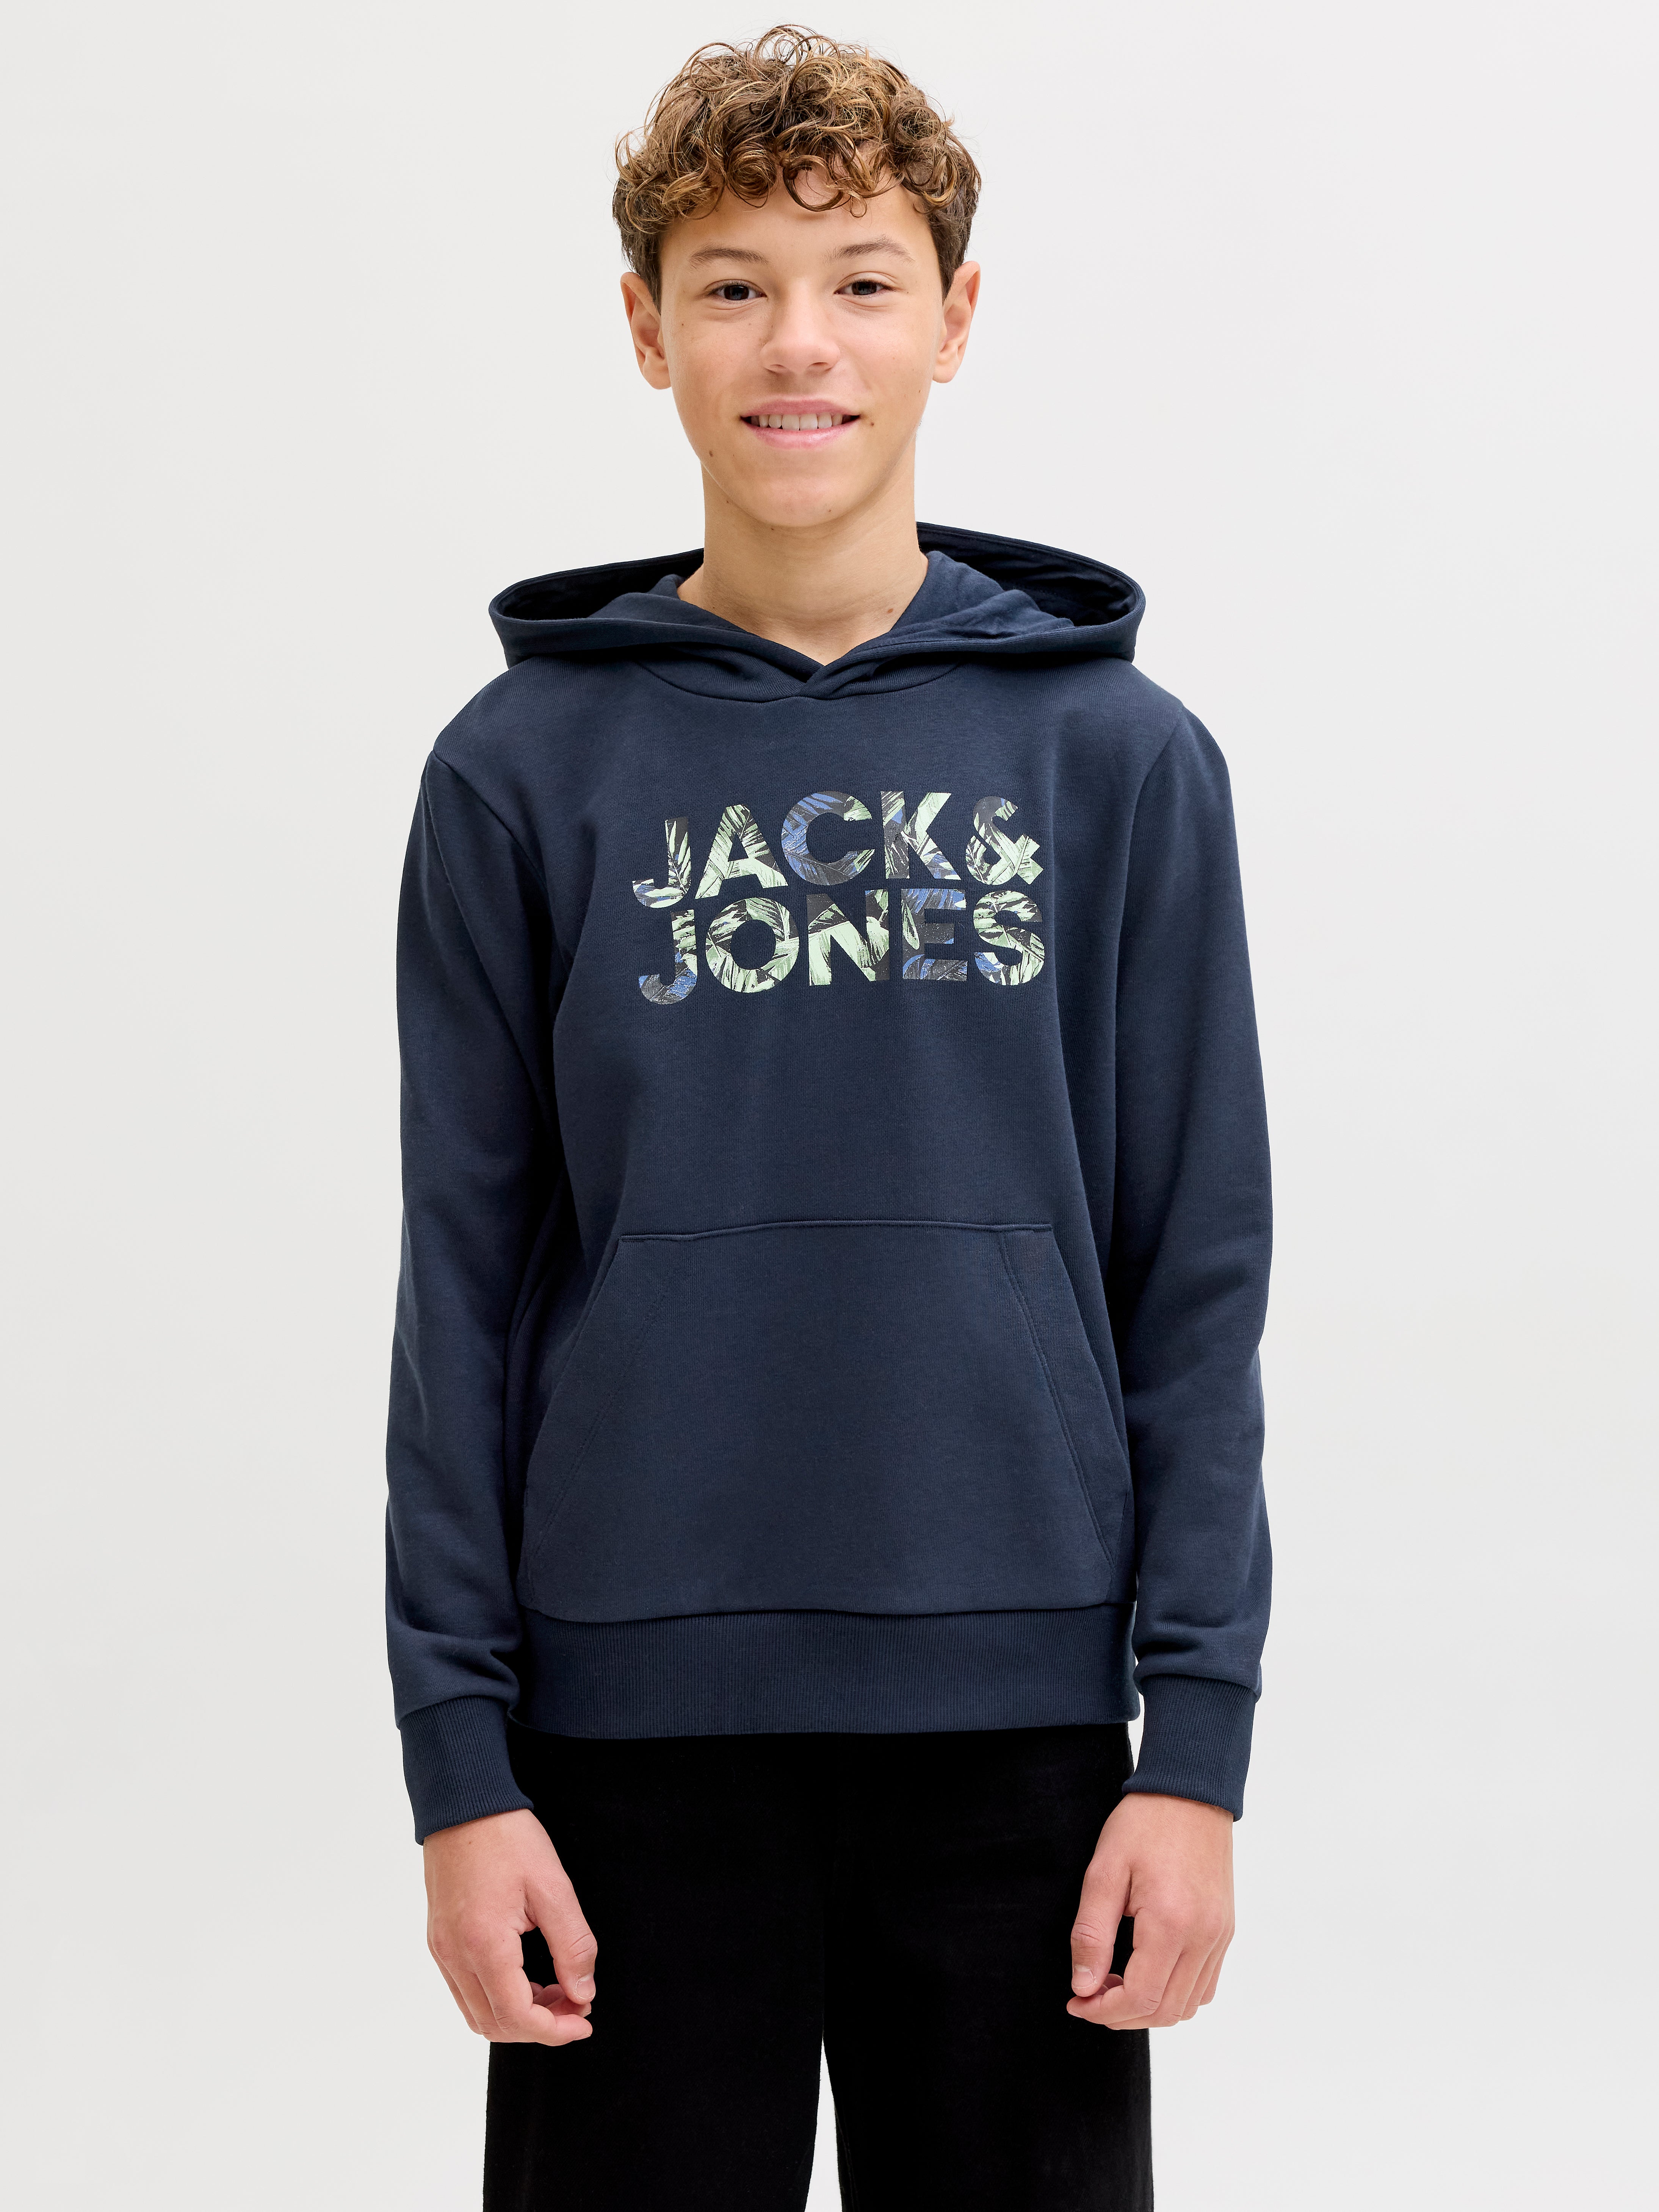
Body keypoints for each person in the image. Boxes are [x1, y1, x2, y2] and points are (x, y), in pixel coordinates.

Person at [385, 25, 1271, 2210]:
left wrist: (1198, 1747)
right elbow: (462, 1285)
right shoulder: (519, 774)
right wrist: (460, 1766)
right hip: (622, 1736)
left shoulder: (1121, 762)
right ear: (648, 329)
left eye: (863, 281)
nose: (802, 343)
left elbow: (1197, 1272)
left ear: (954, 320)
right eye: (735, 285)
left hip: (1025, 1738)